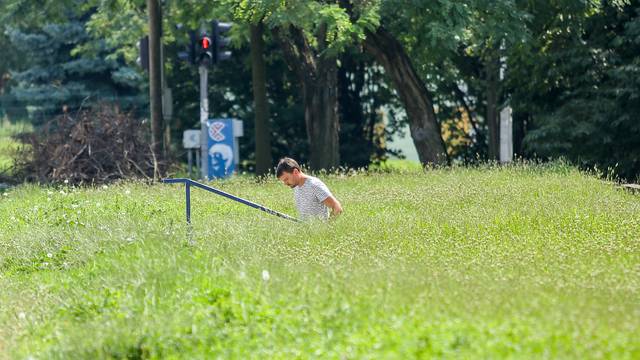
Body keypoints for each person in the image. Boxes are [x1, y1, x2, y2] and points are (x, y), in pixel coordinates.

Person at [276, 157, 343, 221]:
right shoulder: (296, 187)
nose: (285, 183)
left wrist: (326, 228)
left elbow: (337, 207)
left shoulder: (314, 185)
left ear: (295, 172)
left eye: (286, 179)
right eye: (283, 181)